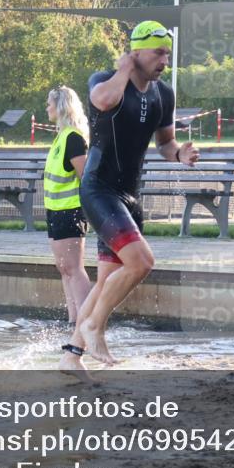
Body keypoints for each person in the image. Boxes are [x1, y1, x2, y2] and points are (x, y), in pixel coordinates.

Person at [59, 21, 199, 372]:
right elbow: (103, 102)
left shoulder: (163, 93)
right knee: (142, 262)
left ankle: (70, 357)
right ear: (135, 51)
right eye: (158, 53)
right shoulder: (104, 80)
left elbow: (165, 143)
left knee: (107, 280)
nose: (165, 60)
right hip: (98, 188)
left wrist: (179, 154)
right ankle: (93, 327)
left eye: (167, 53)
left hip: (129, 197)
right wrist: (123, 71)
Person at [44, 85, 92, 324]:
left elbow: (87, 178)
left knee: (74, 269)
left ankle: (87, 321)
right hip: (55, 212)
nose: (47, 107)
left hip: (70, 212)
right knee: (64, 269)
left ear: (61, 106)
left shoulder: (73, 138)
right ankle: (73, 320)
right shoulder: (60, 137)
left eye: (49, 103)